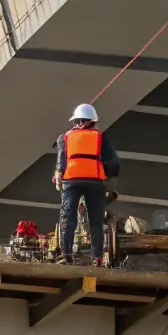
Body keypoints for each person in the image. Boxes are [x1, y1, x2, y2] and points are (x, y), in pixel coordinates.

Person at [53, 103, 121, 266]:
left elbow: (61, 163)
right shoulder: (101, 137)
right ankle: (97, 257)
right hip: (95, 182)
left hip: (71, 181)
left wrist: (58, 176)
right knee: (96, 220)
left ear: (76, 121)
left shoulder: (65, 137)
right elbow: (115, 164)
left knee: (68, 218)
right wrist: (102, 171)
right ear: (93, 121)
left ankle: (66, 254)